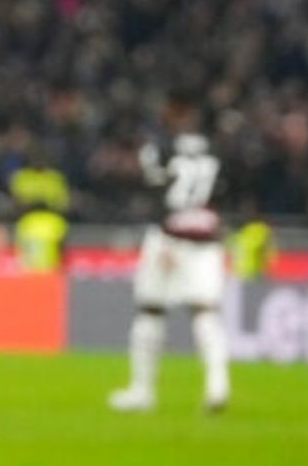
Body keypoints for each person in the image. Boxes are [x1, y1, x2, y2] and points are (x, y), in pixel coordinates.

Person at [108, 91, 230, 414]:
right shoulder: (216, 149)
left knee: (150, 309)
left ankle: (142, 391)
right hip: (206, 236)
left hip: (170, 233)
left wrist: (163, 238)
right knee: (205, 311)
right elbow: (226, 192)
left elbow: (154, 193)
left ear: (174, 109)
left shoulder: (160, 146)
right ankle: (217, 387)